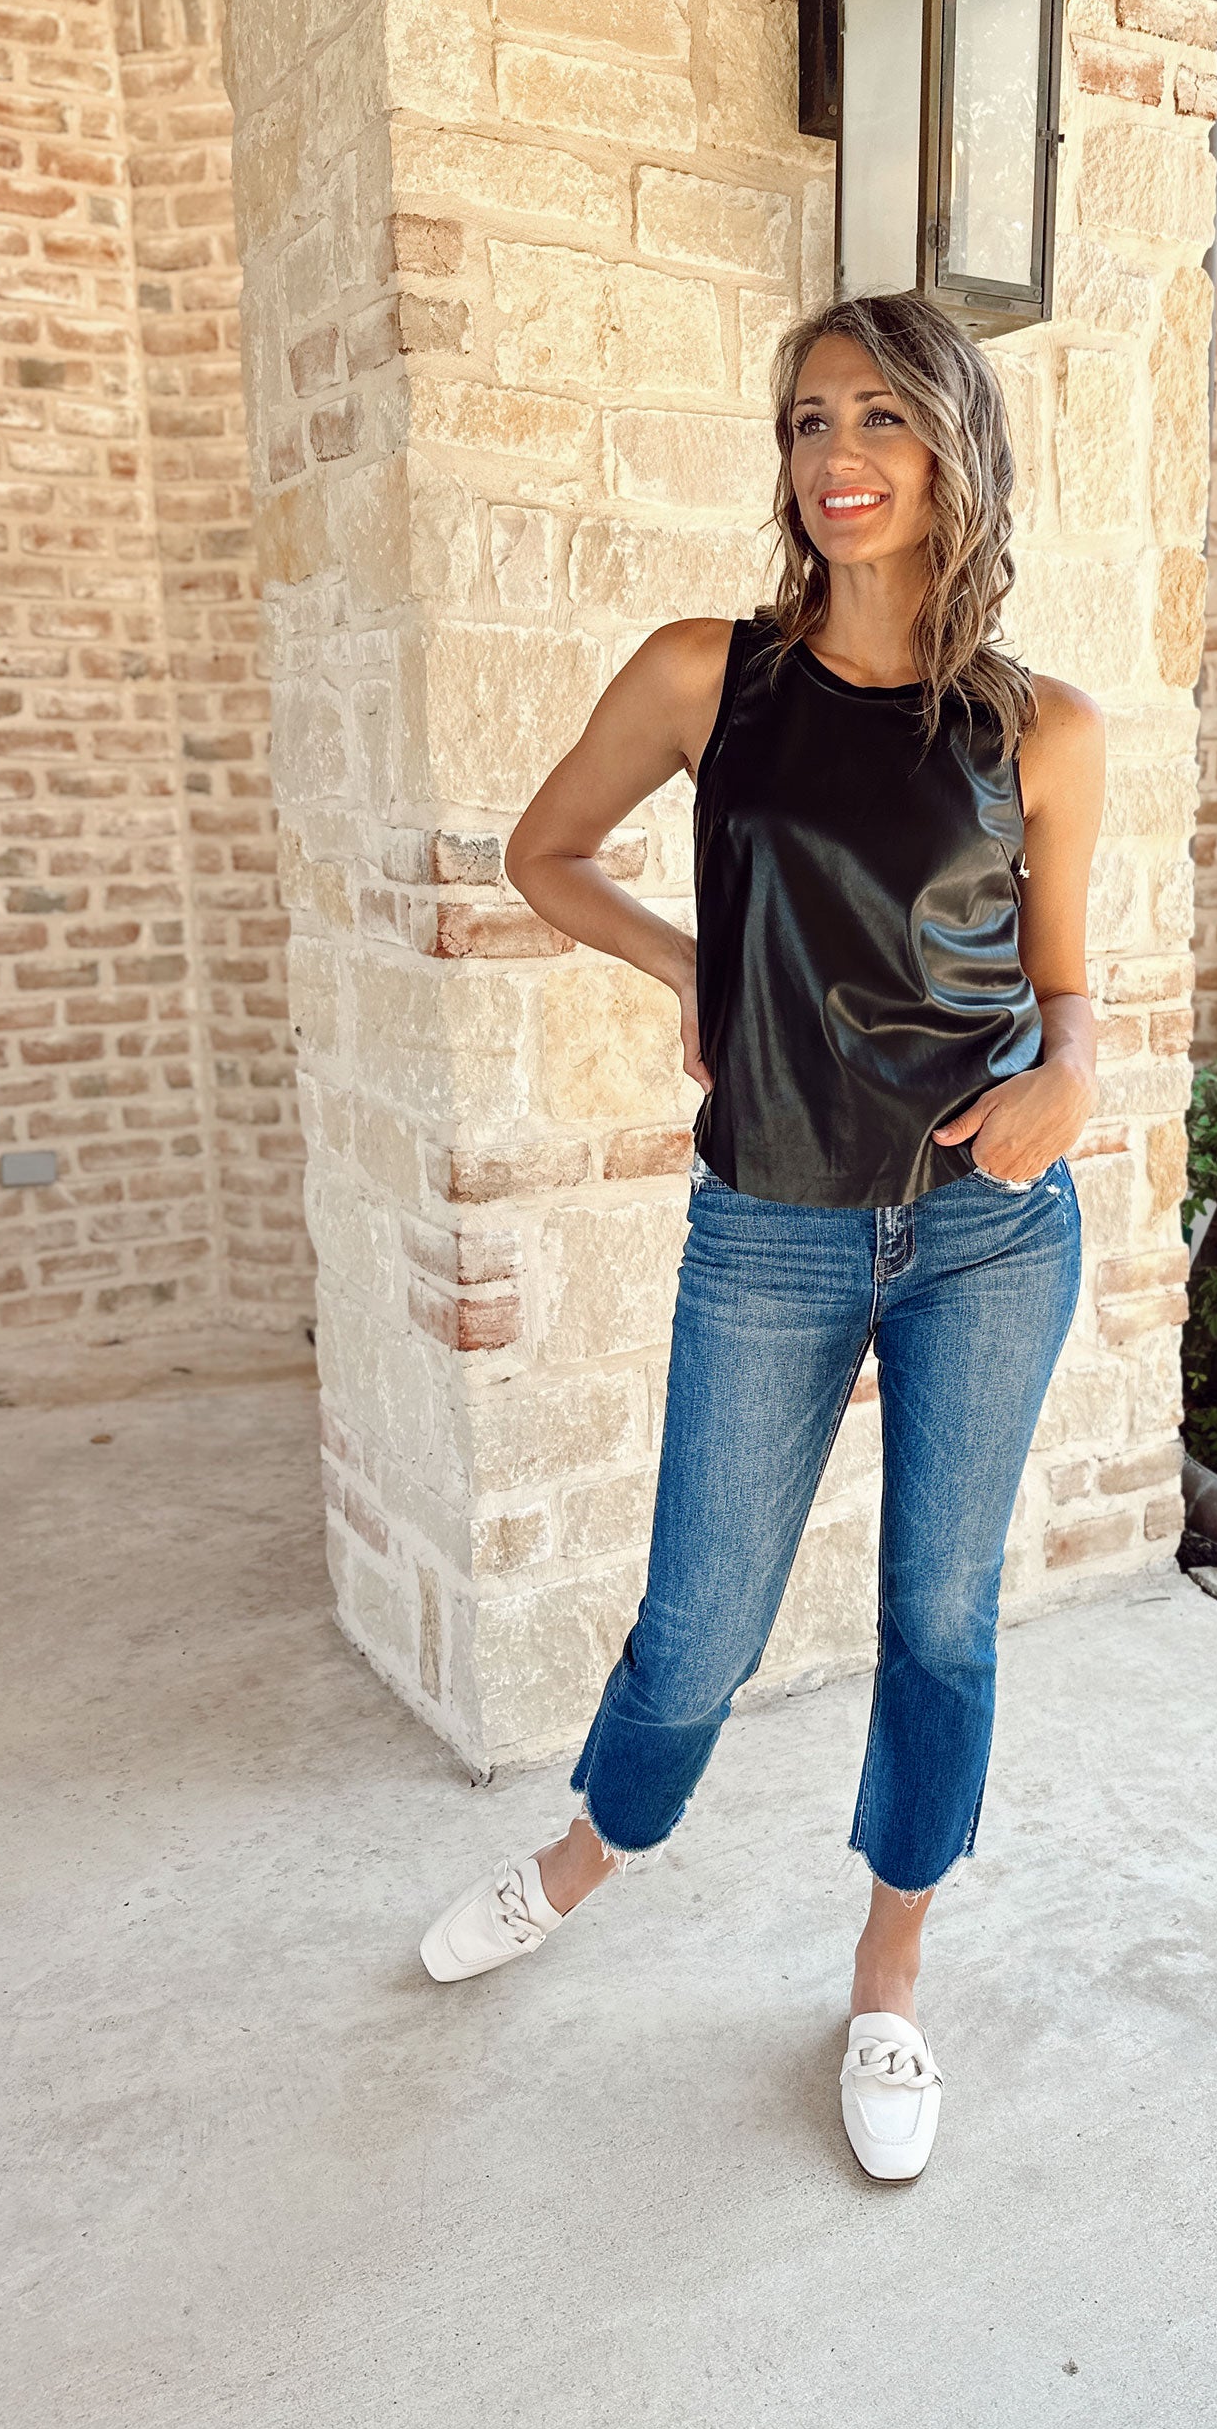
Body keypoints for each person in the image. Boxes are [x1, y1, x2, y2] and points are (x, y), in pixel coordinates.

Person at [419, 292, 1105, 2183]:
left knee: (940, 1620)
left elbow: (1065, 987)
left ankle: (889, 1980)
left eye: (880, 416)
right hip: (773, 1230)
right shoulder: (703, 676)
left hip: (988, 1229)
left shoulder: (1043, 729)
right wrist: (691, 966)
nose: (837, 456)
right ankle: (588, 1854)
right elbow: (544, 854)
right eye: (809, 420)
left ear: (953, 447)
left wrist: (1076, 1076)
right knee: (700, 1625)